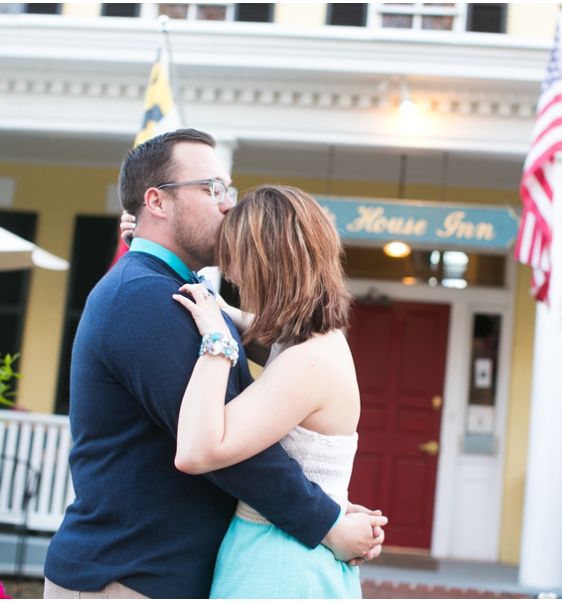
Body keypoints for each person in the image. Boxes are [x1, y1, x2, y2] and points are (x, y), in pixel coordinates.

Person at [43, 129, 385, 599]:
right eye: (213, 189)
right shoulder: (145, 297)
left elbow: (253, 341)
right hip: (128, 576)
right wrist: (328, 523)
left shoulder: (177, 293)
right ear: (157, 202)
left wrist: (149, 244)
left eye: (229, 190)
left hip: (166, 571)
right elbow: (229, 454)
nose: (227, 205)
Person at [171, 185, 364, 598]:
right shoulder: (309, 338)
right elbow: (244, 321)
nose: (233, 273)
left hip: (281, 564)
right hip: (285, 550)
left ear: (267, 263)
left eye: (238, 257)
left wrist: (215, 344)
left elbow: (195, 450)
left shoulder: (308, 361)